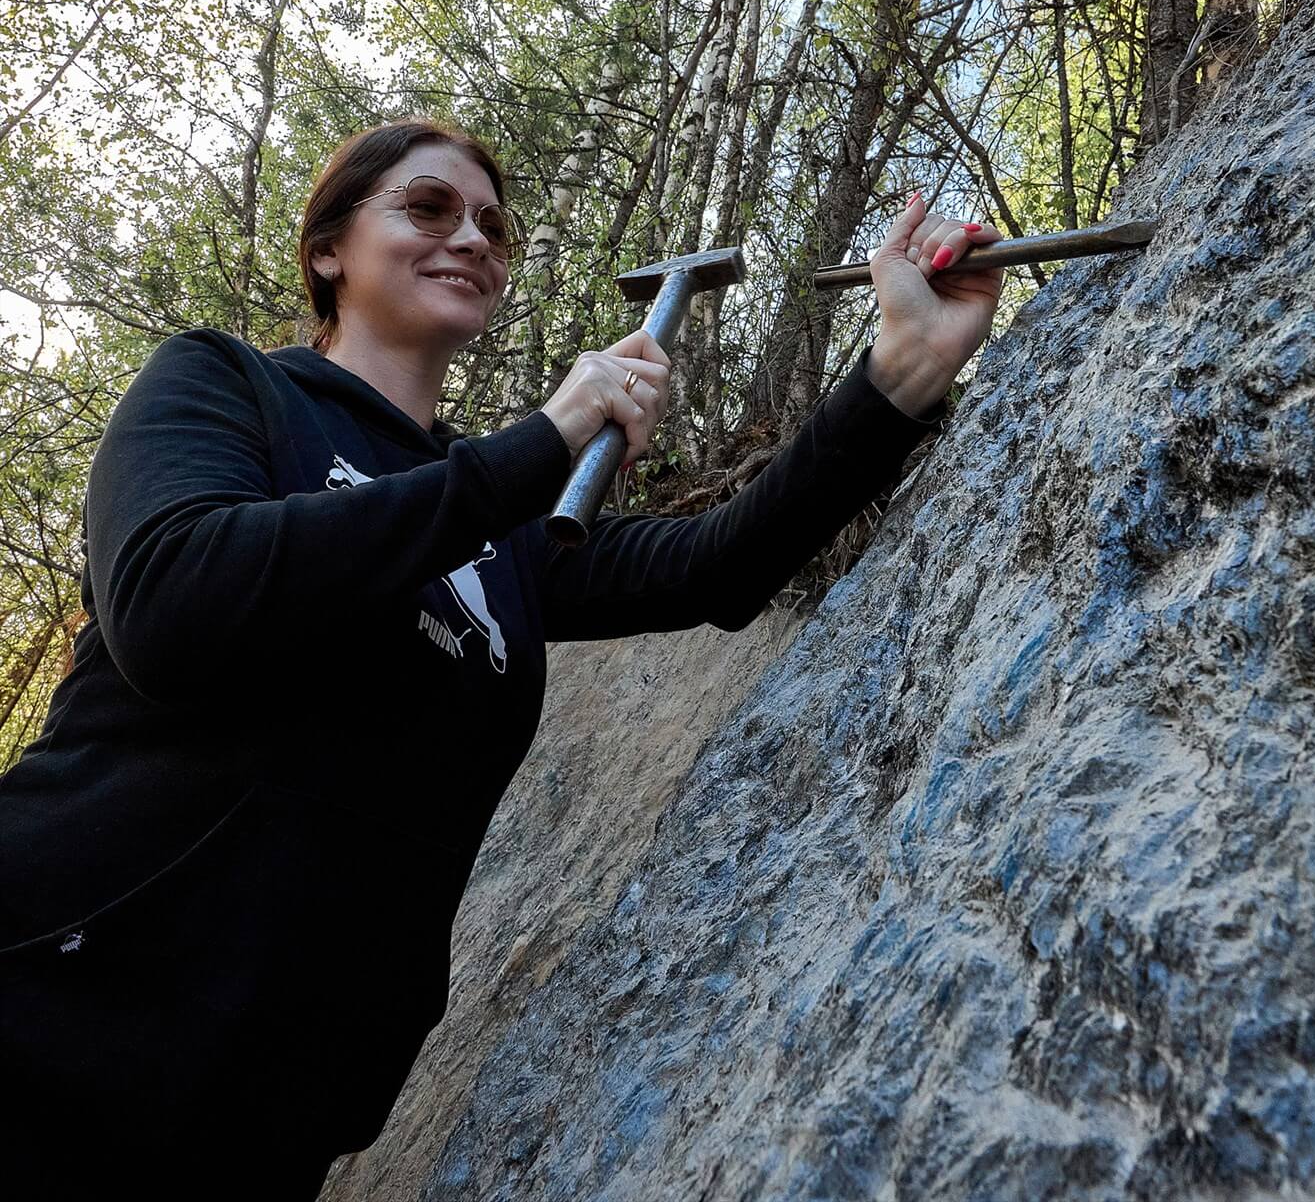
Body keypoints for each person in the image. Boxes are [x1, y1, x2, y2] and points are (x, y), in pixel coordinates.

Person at [0, 117, 1002, 1192]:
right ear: (329, 249)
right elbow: (170, 603)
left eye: (491, 224)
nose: (471, 237)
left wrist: (898, 374)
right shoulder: (229, 386)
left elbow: (719, 563)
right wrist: (542, 443)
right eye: (428, 207)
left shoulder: (509, 529)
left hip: (262, 1108)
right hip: (50, 1004)